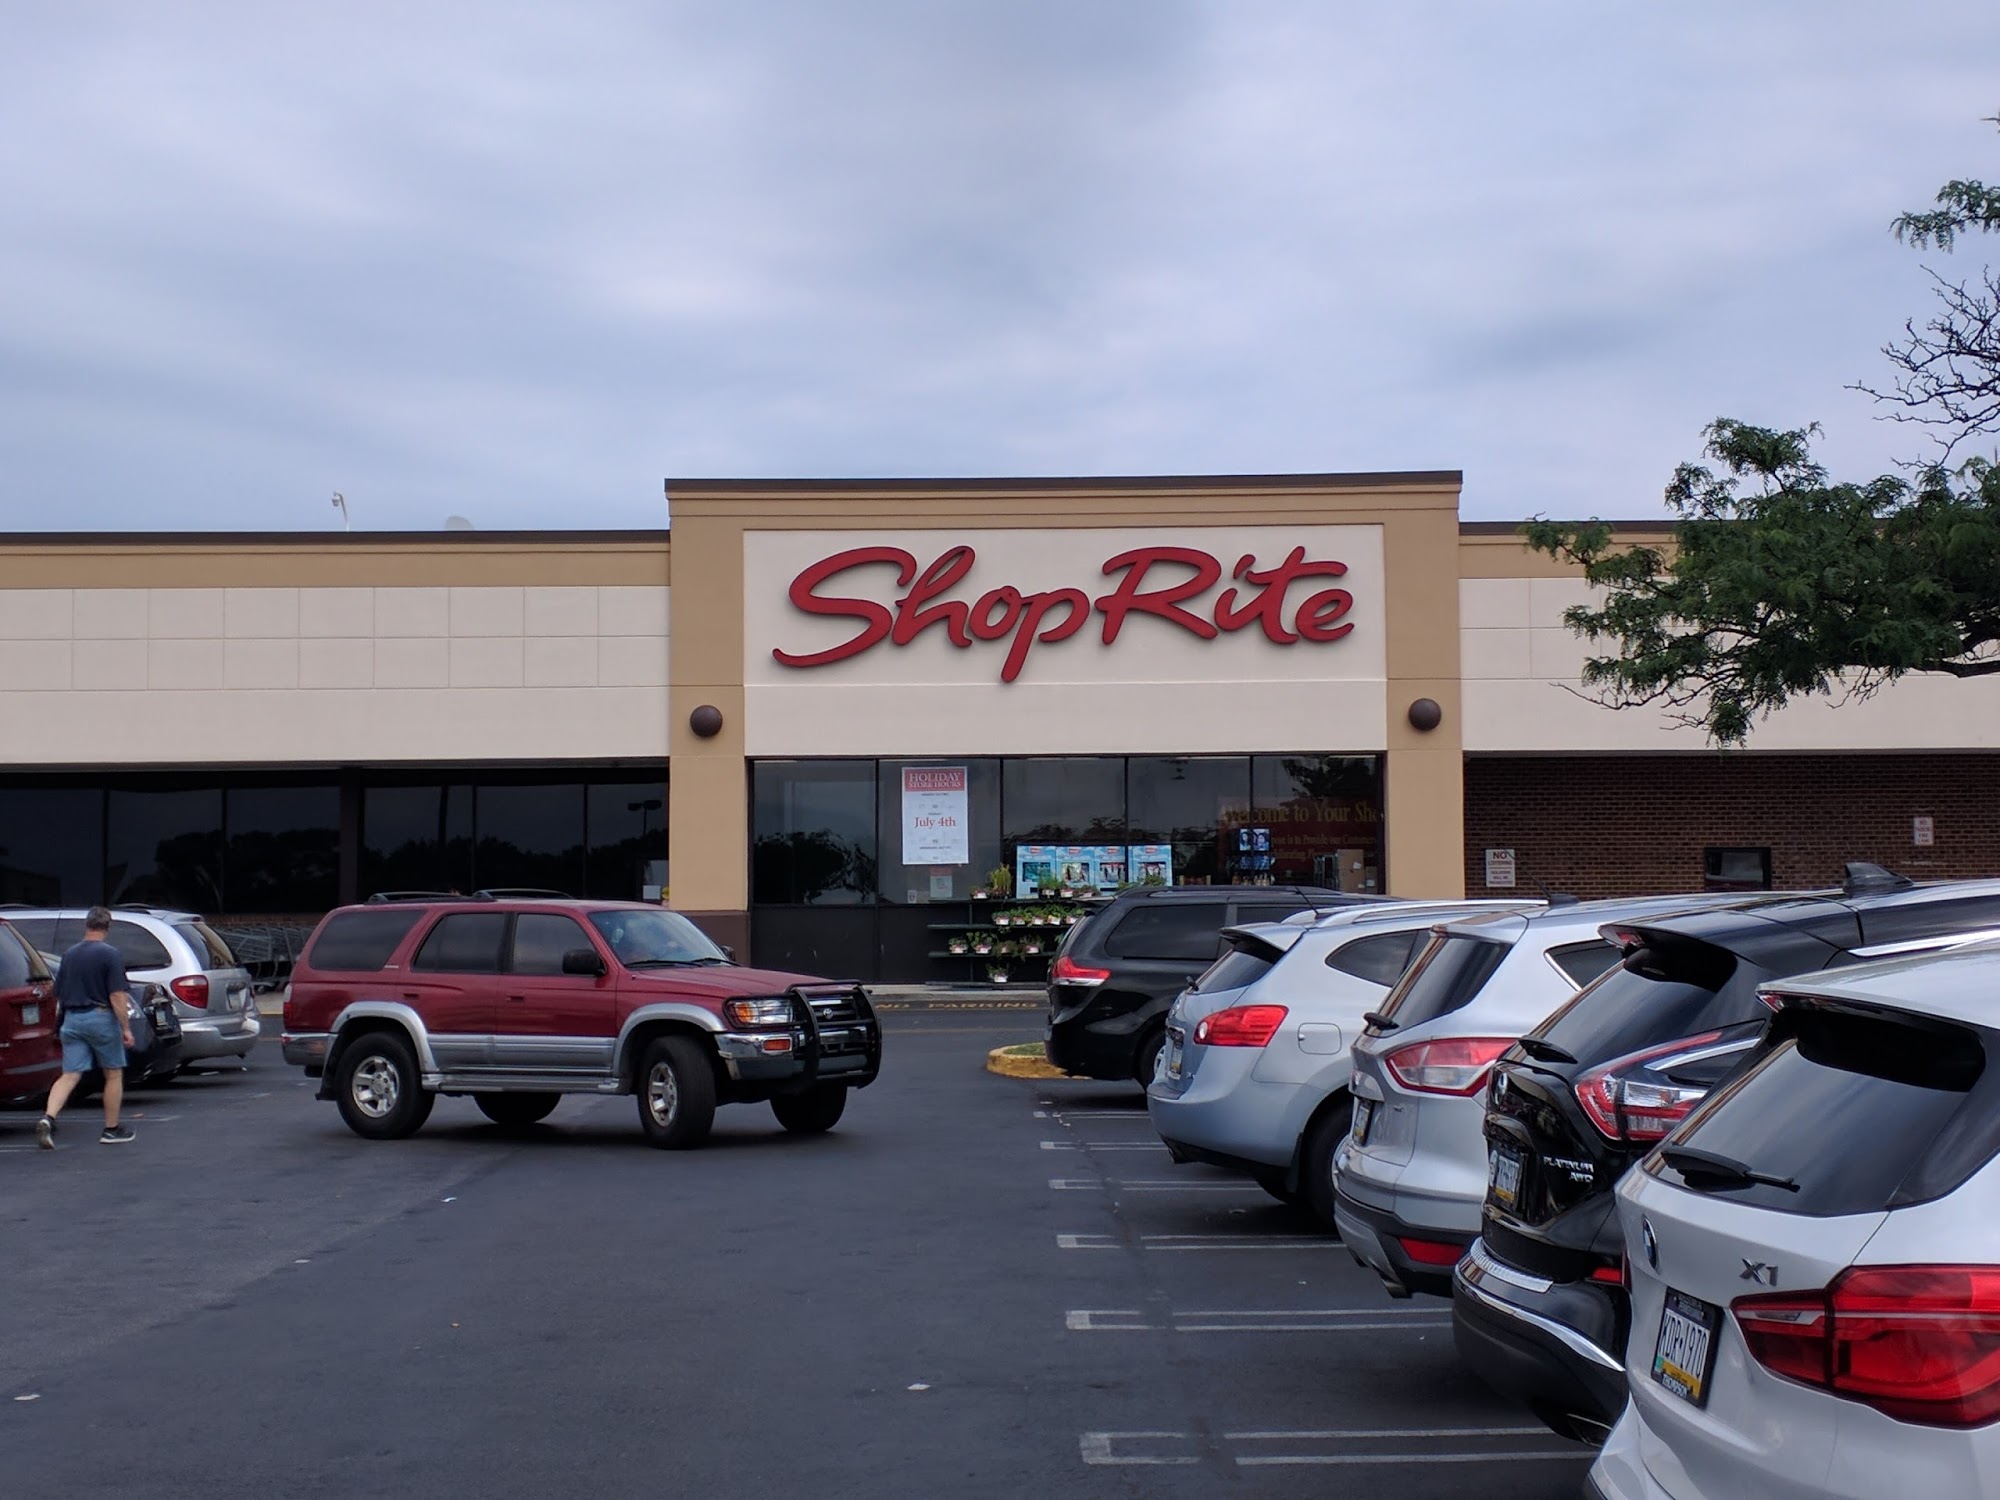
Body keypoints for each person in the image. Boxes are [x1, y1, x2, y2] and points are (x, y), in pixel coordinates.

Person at [36, 906, 137, 1147]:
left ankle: (48, 1117)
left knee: (70, 1074)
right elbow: (117, 995)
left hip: (72, 1019)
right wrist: (125, 1027)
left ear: (87, 925)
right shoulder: (110, 954)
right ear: (108, 927)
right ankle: (111, 1129)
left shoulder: (69, 954)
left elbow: (58, 992)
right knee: (113, 1073)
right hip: (100, 1018)